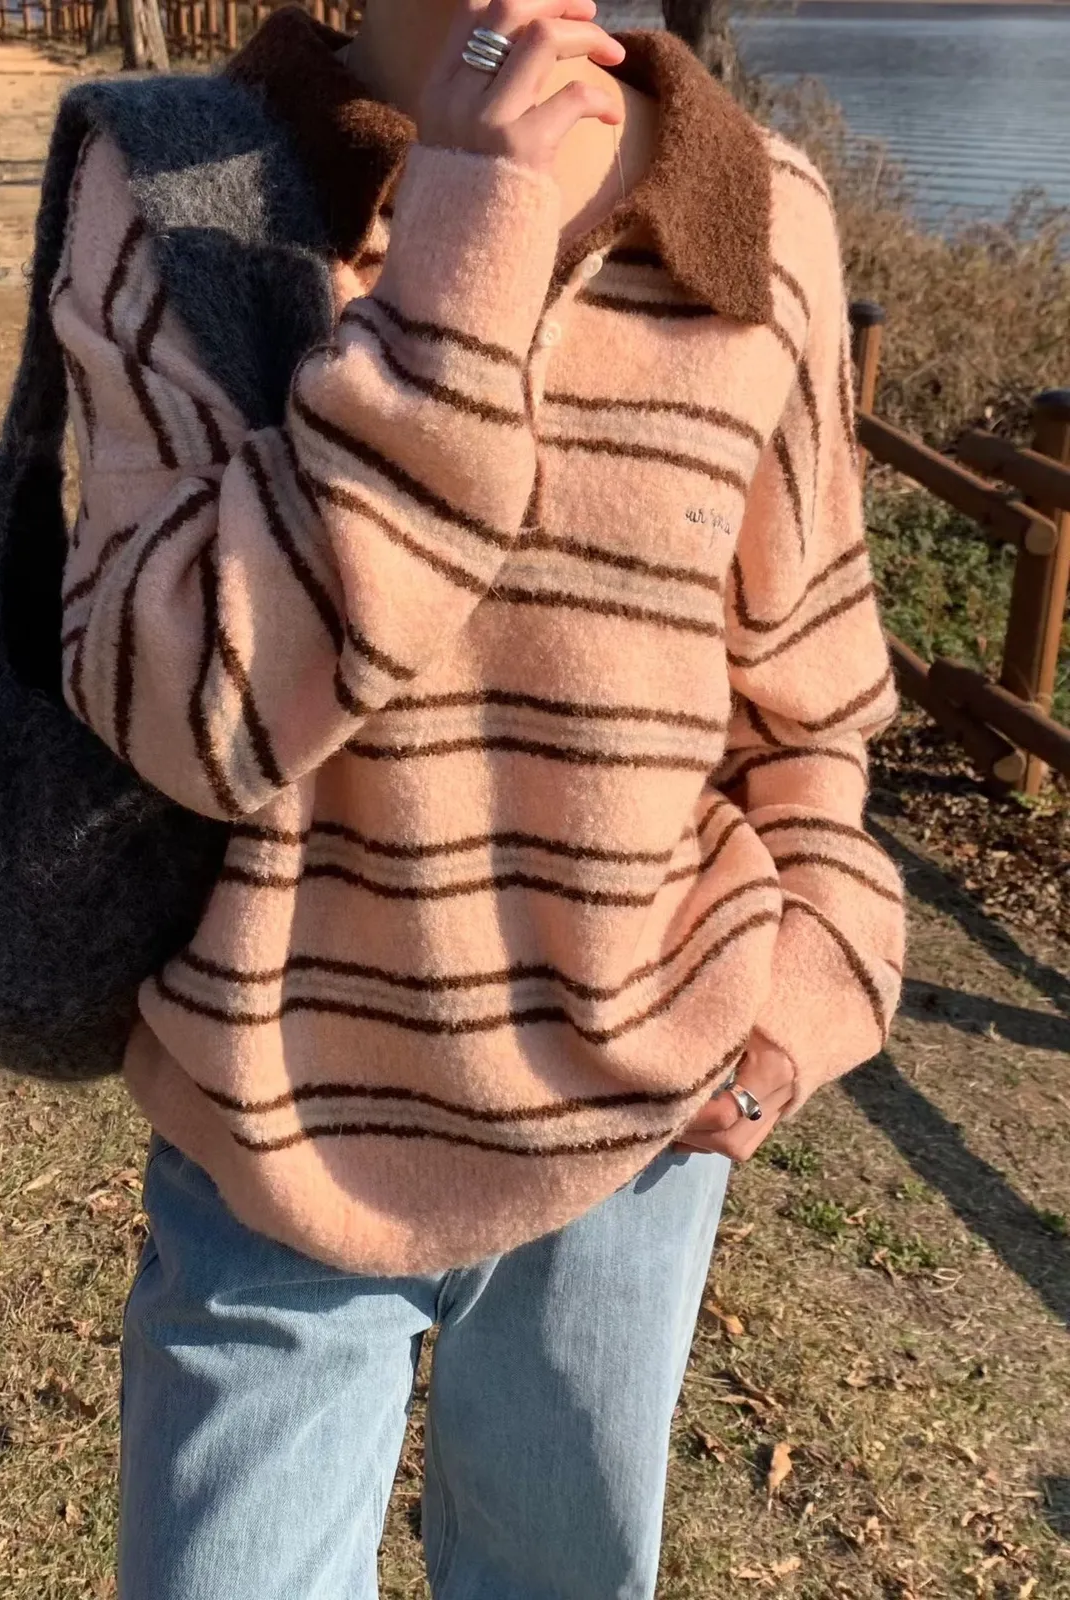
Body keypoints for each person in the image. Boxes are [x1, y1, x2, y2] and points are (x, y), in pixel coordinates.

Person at [52, 0, 905, 1593]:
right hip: (276, 1154)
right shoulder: (184, 177)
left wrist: (794, 1013)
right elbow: (191, 718)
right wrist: (463, 250)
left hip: (636, 1154)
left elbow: (811, 704)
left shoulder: (758, 213)